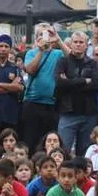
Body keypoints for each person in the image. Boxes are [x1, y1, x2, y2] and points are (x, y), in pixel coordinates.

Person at [21, 24, 67, 155]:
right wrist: (41, 51)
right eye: (41, 34)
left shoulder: (58, 54)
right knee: (30, 139)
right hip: (33, 102)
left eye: (47, 34)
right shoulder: (31, 53)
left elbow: (72, 59)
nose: (44, 37)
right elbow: (30, 70)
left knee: (50, 141)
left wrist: (58, 40)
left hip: (52, 104)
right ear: (36, 38)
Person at [55, 32, 98, 157]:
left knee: (85, 154)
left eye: (81, 42)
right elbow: (59, 83)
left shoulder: (93, 64)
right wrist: (84, 81)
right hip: (68, 113)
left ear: (86, 45)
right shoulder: (63, 62)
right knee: (63, 151)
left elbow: (96, 85)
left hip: (88, 114)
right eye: (75, 42)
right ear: (71, 44)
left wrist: (69, 82)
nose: (78, 45)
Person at [0, 35, 24, 154]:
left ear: (10, 49)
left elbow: (20, 87)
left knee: (10, 148)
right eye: (0, 46)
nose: (3, 49)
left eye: (6, 46)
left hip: (10, 114)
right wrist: (10, 86)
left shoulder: (15, 68)